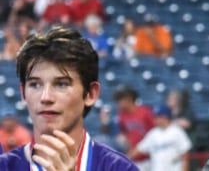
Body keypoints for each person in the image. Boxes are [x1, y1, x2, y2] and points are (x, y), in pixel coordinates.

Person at [0, 26, 138, 170]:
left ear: (91, 93)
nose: (45, 97)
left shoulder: (120, 168)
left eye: (61, 84)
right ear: (23, 94)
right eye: (35, 84)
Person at [127, 105, 192, 171]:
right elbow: (139, 149)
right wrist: (123, 159)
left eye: (159, 116)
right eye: (156, 117)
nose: (156, 119)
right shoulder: (153, 133)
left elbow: (185, 153)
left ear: (166, 117)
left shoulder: (177, 131)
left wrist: (185, 169)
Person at [113, 86, 155, 171]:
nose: (118, 103)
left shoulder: (145, 112)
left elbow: (155, 132)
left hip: (151, 157)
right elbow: (124, 132)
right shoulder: (122, 115)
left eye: (120, 100)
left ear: (129, 99)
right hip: (135, 158)